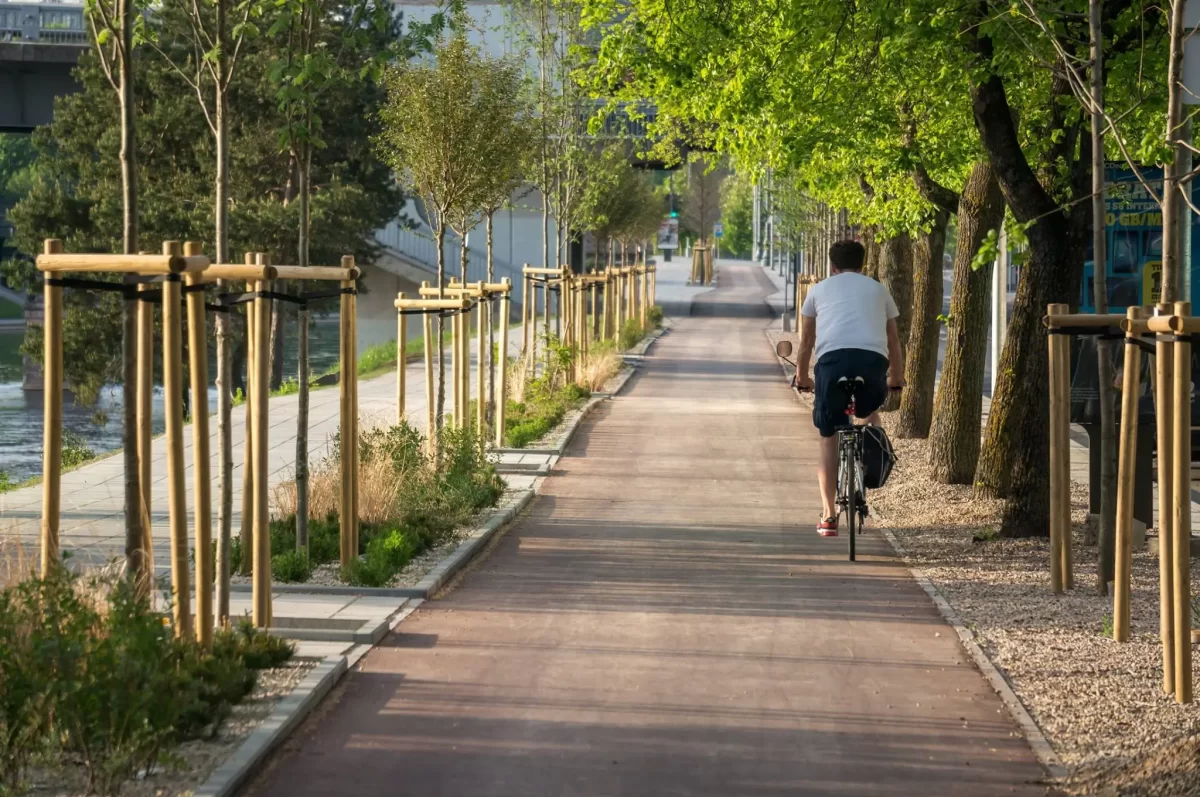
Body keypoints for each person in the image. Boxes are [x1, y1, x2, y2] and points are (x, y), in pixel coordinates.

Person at [793, 240, 904, 536]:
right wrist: (896, 378)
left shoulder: (817, 291)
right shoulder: (879, 290)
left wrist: (802, 376)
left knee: (828, 436)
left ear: (832, 266)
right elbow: (893, 339)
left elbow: (806, 343)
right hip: (872, 362)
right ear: (863, 264)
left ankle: (829, 516)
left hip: (833, 364)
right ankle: (868, 467)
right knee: (869, 414)